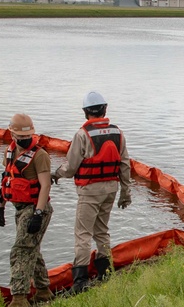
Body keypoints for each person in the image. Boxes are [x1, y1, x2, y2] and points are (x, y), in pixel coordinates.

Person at [54, 90, 132, 293]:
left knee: (83, 233)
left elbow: (70, 168)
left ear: (85, 112)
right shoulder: (118, 132)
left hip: (90, 190)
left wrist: (56, 174)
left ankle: (80, 281)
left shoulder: (82, 135)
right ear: (105, 109)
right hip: (111, 190)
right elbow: (125, 164)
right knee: (102, 230)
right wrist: (126, 193)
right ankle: (105, 272)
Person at [0, 113, 54, 307]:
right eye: (20, 137)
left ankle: (19, 299)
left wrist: (38, 214)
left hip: (36, 208)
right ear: (12, 135)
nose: (23, 140)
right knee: (31, 249)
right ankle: (43, 291)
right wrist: (1, 207)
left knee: (20, 250)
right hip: (19, 208)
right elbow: (8, 178)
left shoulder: (40, 155)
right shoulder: (10, 152)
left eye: (27, 136)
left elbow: (45, 186)